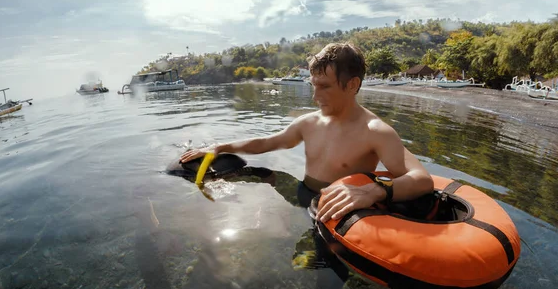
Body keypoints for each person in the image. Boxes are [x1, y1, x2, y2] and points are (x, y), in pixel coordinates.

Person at [180, 42, 434, 221]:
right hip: (303, 193)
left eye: (324, 87)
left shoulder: (376, 131)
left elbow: (422, 180)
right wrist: (219, 147)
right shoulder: (309, 122)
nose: (315, 96)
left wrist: (374, 191)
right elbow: (268, 142)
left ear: (352, 84)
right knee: (254, 174)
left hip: (339, 211)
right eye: (314, 86)